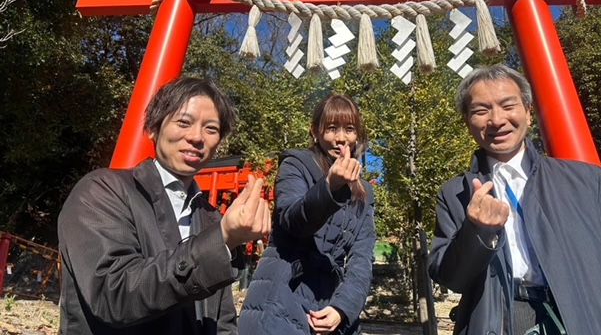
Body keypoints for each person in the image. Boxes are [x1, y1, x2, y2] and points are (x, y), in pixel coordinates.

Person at [428, 64, 601, 335]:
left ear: (528, 112)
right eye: (481, 110)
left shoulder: (587, 181)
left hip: (585, 315)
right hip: (503, 320)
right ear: (468, 121)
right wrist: (477, 231)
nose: (496, 120)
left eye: (508, 105)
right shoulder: (455, 193)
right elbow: (450, 278)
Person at [58, 77, 271, 335]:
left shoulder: (211, 218)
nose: (196, 137)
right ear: (154, 129)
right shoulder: (102, 191)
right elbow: (112, 295)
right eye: (183, 122)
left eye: (211, 129)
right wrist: (221, 240)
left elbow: (221, 320)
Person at [238, 94, 376, 335]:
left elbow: (361, 257)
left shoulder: (364, 192)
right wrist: (330, 186)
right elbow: (294, 220)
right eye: (332, 128)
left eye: (349, 129)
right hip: (283, 291)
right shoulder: (296, 165)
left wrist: (342, 308)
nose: (341, 138)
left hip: (329, 300)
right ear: (315, 131)